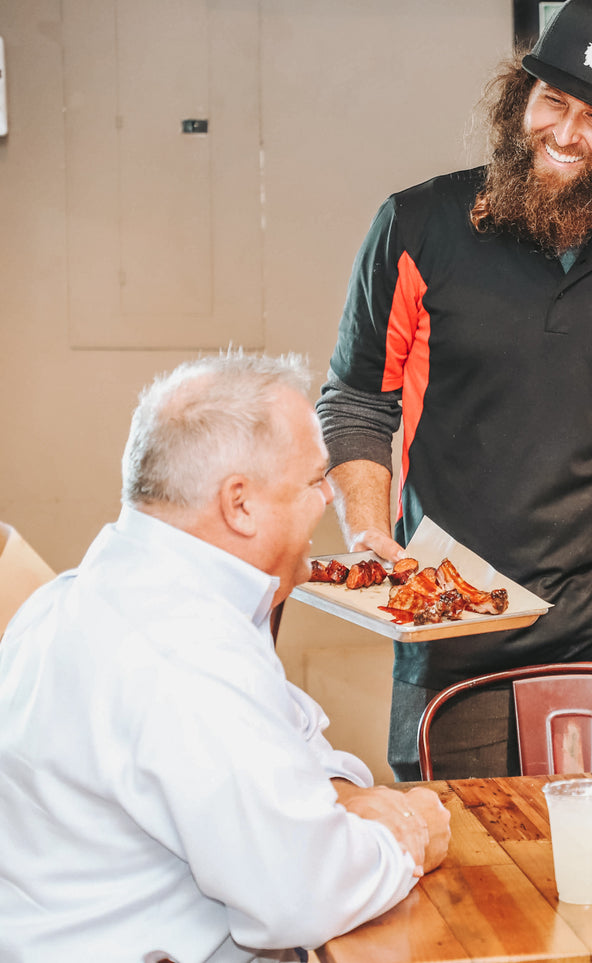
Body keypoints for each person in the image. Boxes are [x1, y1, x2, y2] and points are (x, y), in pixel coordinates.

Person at [318, 0, 592, 780]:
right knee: (465, 873)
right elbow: (357, 402)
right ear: (520, 98)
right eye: (551, 100)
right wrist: (368, 531)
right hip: (457, 622)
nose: (562, 132)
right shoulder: (417, 226)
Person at [0, 354, 452, 963]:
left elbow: (288, 731)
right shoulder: (184, 652)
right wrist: (413, 833)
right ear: (240, 505)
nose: (326, 500)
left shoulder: (85, 599)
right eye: (314, 481)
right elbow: (301, 892)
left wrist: (338, 792)